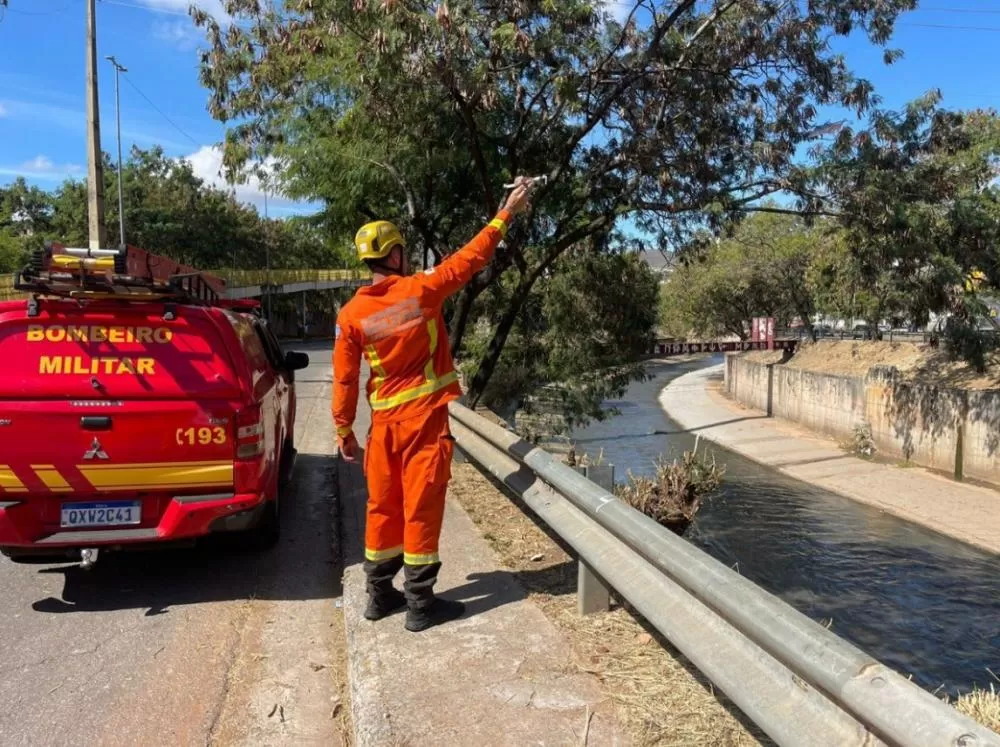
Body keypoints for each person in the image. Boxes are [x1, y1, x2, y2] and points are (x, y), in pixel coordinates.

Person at [332, 178, 534, 632]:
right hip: (423, 421)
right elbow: (471, 258)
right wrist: (506, 213)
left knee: (382, 507)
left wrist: (344, 430)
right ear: (395, 256)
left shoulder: (350, 317)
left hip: (383, 427)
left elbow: (345, 379)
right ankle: (421, 604)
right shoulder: (421, 291)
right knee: (421, 506)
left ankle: (379, 595)